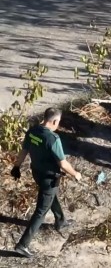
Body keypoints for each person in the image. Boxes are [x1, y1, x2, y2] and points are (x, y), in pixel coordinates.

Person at [9, 108, 82, 258]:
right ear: (55, 121)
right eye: (58, 122)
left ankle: (60, 221)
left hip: (37, 173)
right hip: (49, 177)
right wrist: (76, 174)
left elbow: (24, 151)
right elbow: (62, 163)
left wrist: (16, 166)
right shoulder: (53, 139)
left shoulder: (32, 131)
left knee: (50, 196)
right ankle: (22, 245)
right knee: (41, 211)